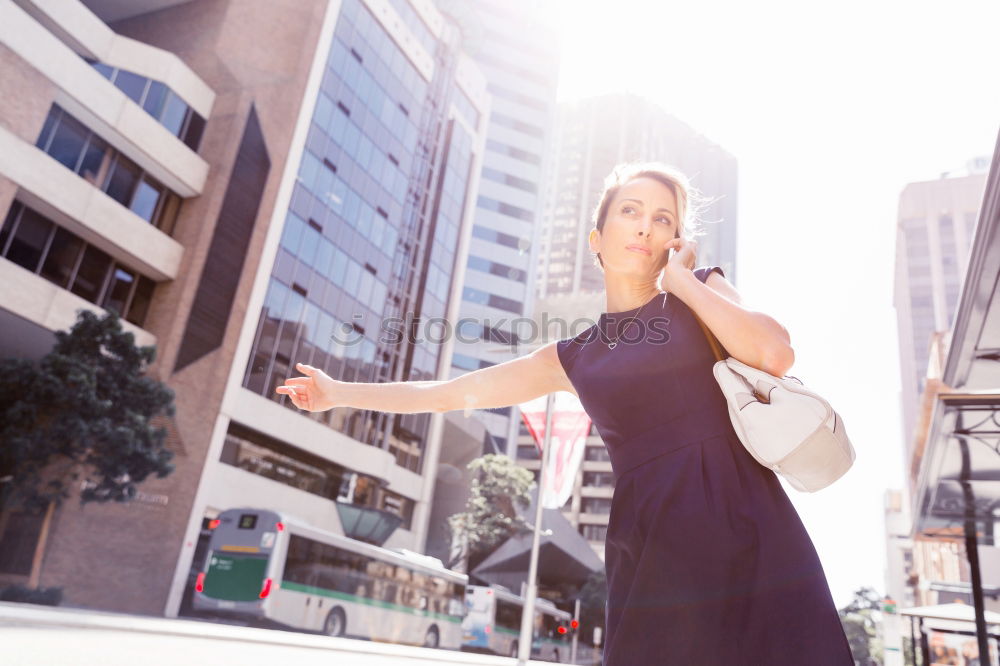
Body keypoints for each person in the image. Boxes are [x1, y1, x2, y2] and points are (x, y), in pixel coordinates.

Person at [276, 162, 854, 664]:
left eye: (664, 219)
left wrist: (682, 281)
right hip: (652, 546)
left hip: (748, 525)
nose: (646, 225)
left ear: (675, 241)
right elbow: (453, 392)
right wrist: (340, 392)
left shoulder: (701, 291)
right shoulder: (572, 358)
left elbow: (775, 353)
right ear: (596, 239)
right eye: (631, 210)